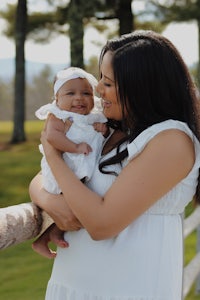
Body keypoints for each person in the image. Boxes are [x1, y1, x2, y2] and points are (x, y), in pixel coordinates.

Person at [29, 30, 200, 300]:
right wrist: (52, 203)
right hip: (73, 284)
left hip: (127, 289)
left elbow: (101, 224)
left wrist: (52, 153)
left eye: (107, 83)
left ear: (140, 87)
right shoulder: (109, 129)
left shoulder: (171, 140)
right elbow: (45, 178)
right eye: (100, 78)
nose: (97, 89)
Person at [35, 67, 108, 194]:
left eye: (86, 93)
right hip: (65, 169)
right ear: (57, 98)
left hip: (88, 169)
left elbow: (104, 136)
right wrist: (76, 147)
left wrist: (102, 129)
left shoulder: (95, 116)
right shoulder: (58, 115)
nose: (79, 98)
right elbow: (52, 136)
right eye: (71, 93)